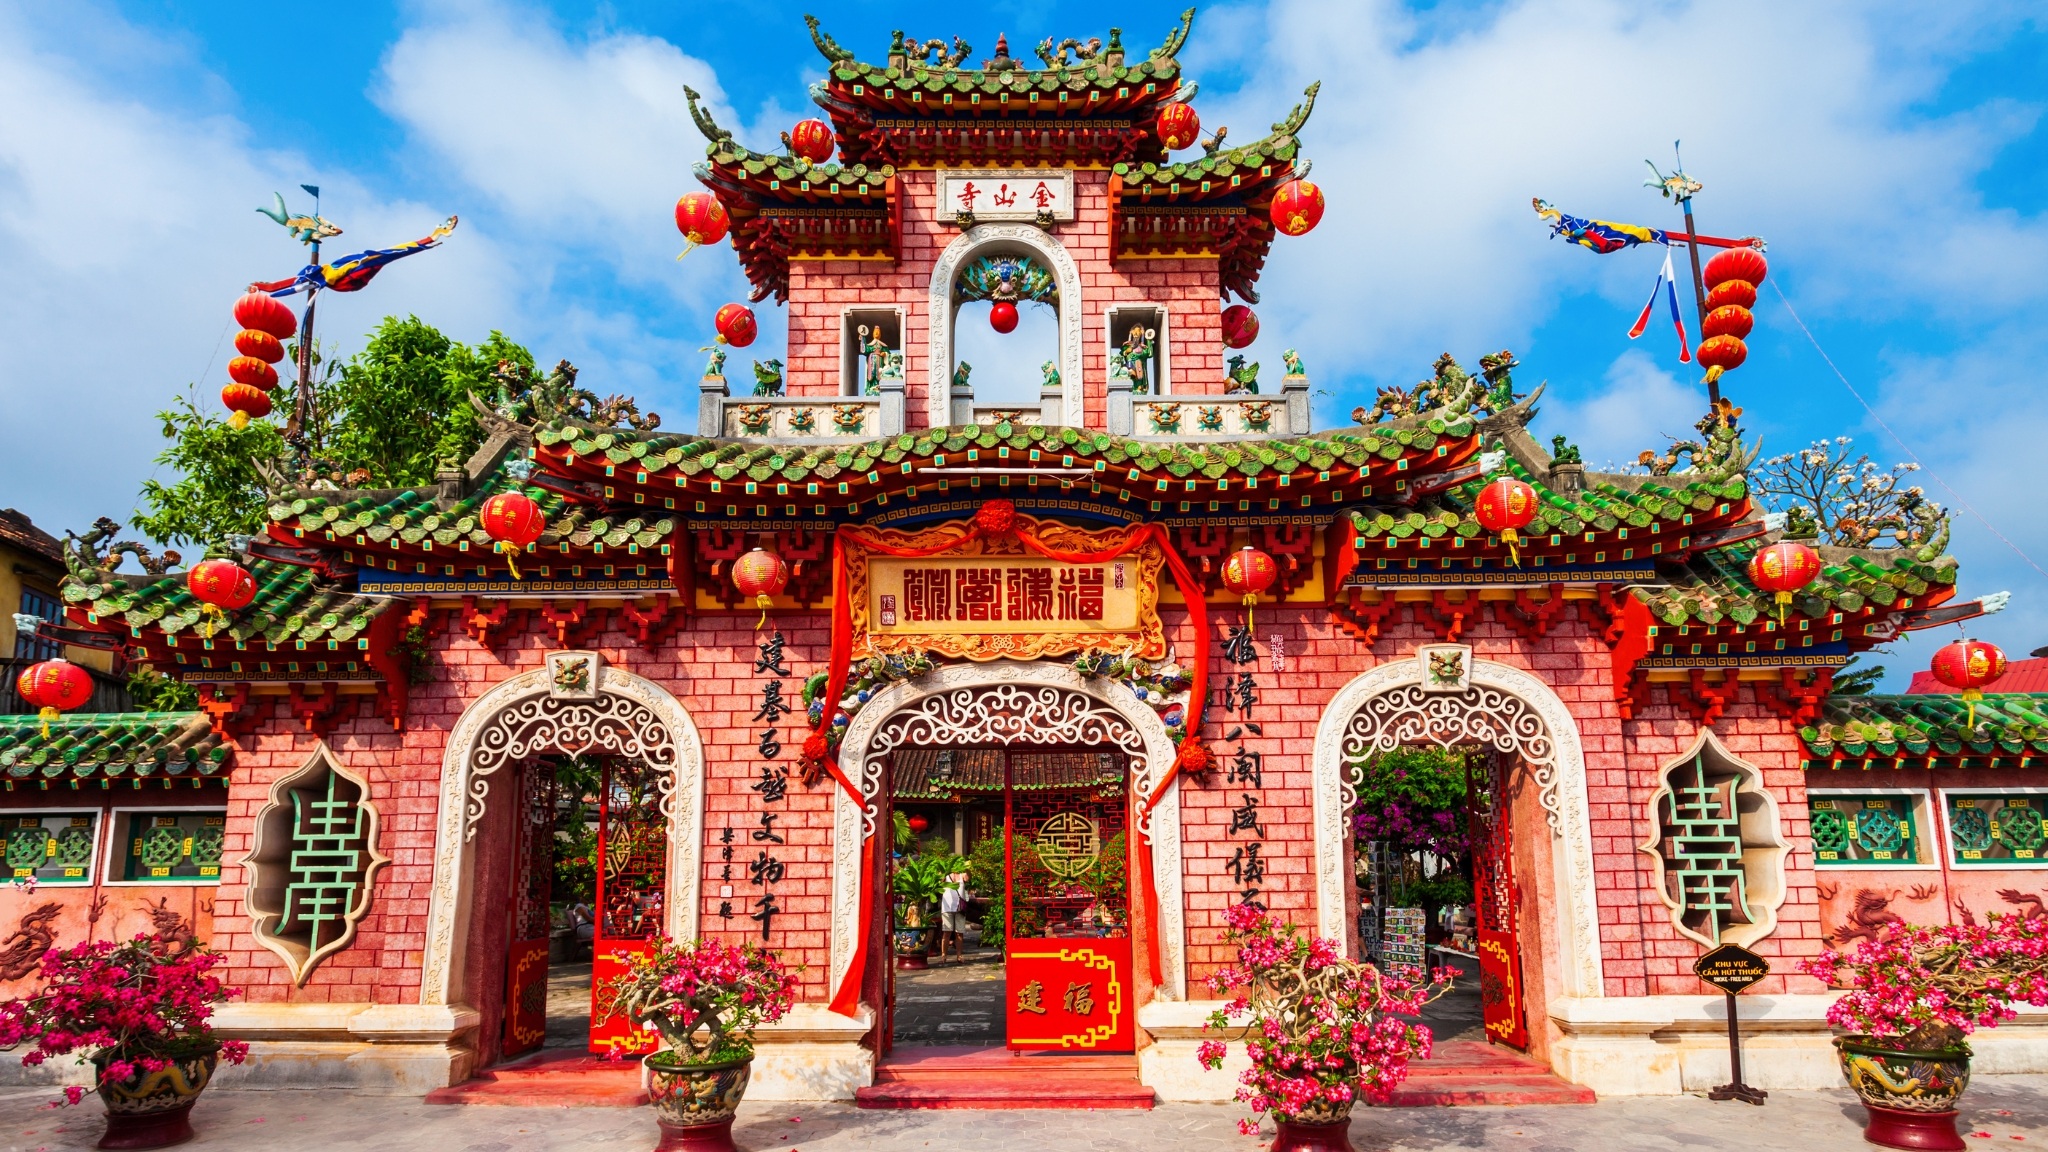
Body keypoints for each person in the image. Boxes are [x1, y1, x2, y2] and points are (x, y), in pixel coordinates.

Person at [938, 871, 971, 961]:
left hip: (960, 908)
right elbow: (939, 882)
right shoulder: (945, 875)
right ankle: (944, 955)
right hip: (947, 908)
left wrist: (967, 868)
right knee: (947, 932)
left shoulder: (963, 875)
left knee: (959, 933)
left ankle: (959, 955)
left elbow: (968, 878)